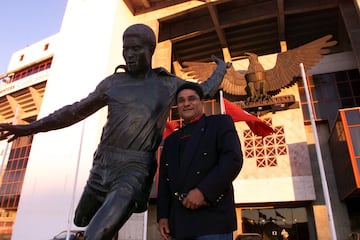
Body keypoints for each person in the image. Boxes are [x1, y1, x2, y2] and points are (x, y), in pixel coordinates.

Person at [0, 24, 229, 240]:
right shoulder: (112, 83)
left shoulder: (167, 84)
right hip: (103, 163)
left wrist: (220, 71)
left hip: (134, 168)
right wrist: (29, 128)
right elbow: (74, 111)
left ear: (150, 50)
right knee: (82, 218)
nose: (129, 54)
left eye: (136, 49)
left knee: (97, 233)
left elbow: (204, 90)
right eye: (125, 49)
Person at [157, 82, 243, 240]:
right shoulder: (170, 140)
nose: (186, 103)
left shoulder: (219, 123)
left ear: (201, 102)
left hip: (212, 221)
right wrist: (163, 215)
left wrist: (204, 191)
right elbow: (164, 180)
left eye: (192, 99)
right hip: (179, 224)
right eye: (181, 100)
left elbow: (232, 160)